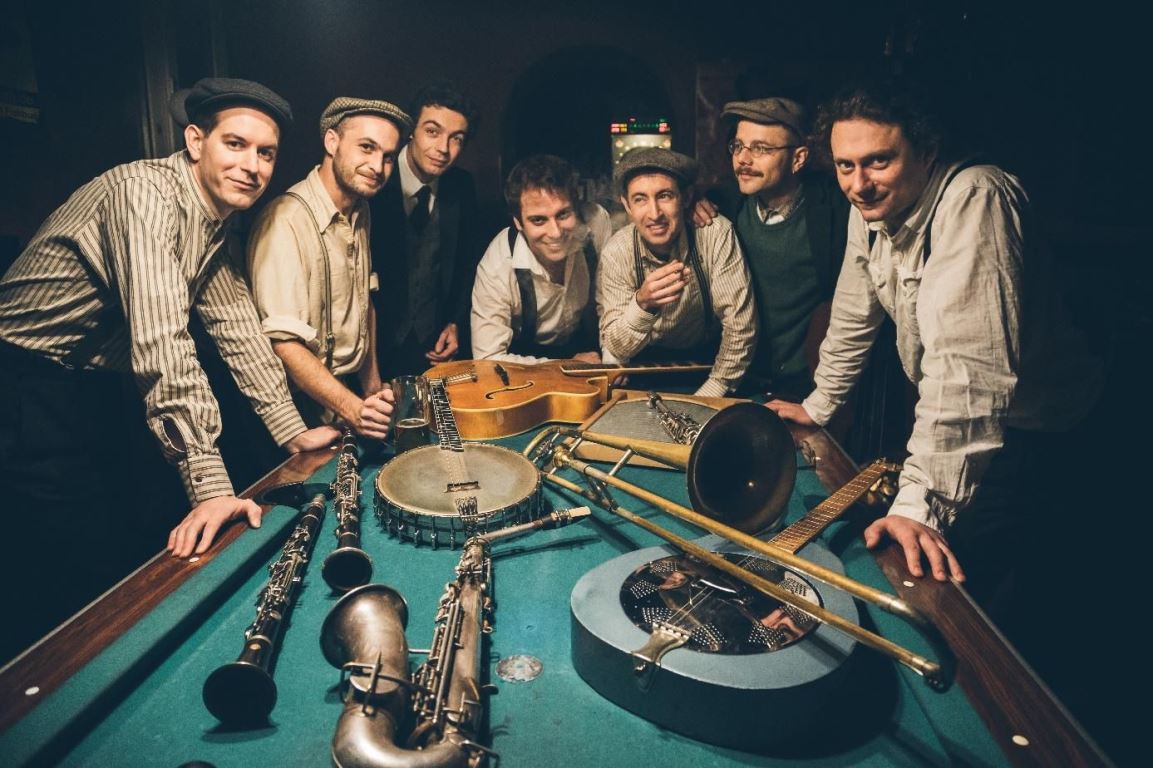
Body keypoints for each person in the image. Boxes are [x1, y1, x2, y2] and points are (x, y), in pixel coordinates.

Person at [0, 78, 337, 662]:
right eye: (235, 144)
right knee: (66, 572)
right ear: (194, 140)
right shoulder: (143, 194)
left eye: (266, 153)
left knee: (127, 543)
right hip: (23, 382)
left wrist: (292, 431)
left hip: (88, 387)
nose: (252, 165)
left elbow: (236, 326)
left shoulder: (210, 221)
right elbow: (162, 342)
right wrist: (211, 488)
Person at [765, 78, 1102, 603]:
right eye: (845, 166)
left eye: (879, 161)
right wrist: (820, 404)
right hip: (970, 414)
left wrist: (919, 507)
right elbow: (855, 310)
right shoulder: (868, 206)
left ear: (926, 151)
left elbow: (967, 371)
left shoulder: (976, 197)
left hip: (1035, 430)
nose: (859, 184)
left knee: (982, 589)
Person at [248, 97, 413, 439]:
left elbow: (364, 301)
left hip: (342, 395)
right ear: (331, 142)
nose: (377, 166)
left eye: (387, 157)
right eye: (366, 147)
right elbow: (284, 345)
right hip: (295, 407)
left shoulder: (361, 208)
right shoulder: (285, 221)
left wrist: (371, 389)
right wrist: (354, 409)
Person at [694, 97, 851, 400]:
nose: (743, 159)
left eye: (761, 149)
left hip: (808, 388)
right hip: (738, 381)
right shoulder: (724, 205)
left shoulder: (835, 210)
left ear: (798, 159)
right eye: (738, 146)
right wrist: (691, 202)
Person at [597, 147, 757, 397]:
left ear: (685, 197)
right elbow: (617, 347)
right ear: (627, 206)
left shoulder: (715, 233)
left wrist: (710, 393)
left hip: (708, 368)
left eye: (664, 196)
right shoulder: (617, 251)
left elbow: (741, 327)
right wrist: (643, 304)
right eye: (640, 199)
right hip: (644, 371)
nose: (654, 213)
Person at [369, 82, 481, 379]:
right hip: (373, 353)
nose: (443, 149)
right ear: (411, 131)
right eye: (432, 132)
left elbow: (467, 266)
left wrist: (456, 322)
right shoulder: (374, 182)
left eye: (456, 138)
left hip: (434, 351)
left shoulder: (462, 187)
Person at [471, 154, 613, 364]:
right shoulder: (498, 264)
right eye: (539, 220)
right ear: (518, 223)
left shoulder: (596, 224)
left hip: (588, 353)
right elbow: (488, 359)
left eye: (563, 214)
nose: (555, 233)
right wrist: (567, 366)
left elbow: (609, 301)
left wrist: (612, 361)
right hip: (524, 366)